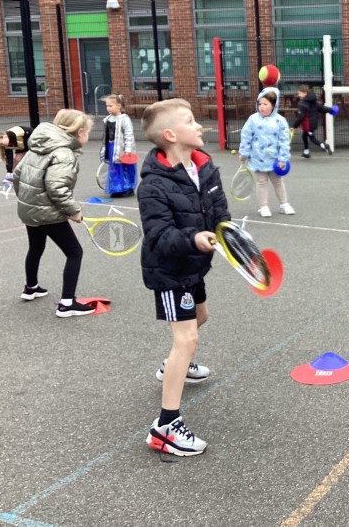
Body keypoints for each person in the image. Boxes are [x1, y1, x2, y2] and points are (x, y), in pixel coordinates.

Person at [137, 98, 231, 457]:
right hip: (169, 271)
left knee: (201, 317)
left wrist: (229, 236)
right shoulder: (153, 186)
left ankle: (173, 366)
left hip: (195, 265)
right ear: (170, 134)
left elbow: (220, 214)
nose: (199, 125)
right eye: (190, 121)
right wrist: (194, 239)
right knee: (187, 338)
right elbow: (159, 237)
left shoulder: (206, 168)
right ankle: (165, 427)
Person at [12, 110, 95, 317]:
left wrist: (26, 199)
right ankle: (67, 303)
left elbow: (17, 174)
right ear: (80, 132)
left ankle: (31, 288)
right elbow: (57, 188)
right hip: (47, 212)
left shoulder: (38, 145)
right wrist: (74, 211)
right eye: (88, 132)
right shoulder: (64, 153)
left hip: (30, 209)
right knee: (74, 252)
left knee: (36, 247)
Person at [239, 87, 294, 218]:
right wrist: (244, 153)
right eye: (260, 104)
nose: (261, 107)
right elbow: (246, 136)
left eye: (265, 104)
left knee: (278, 181)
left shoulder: (280, 121)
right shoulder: (253, 119)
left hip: (275, 160)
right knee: (261, 182)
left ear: (273, 106)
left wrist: (283, 158)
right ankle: (263, 206)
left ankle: (284, 204)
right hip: (257, 158)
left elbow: (284, 141)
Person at [100, 93, 137, 197]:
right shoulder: (107, 119)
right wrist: (104, 150)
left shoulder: (124, 119)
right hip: (111, 147)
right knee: (115, 168)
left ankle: (127, 188)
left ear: (119, 106)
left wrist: (128, 149)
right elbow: (105, 136)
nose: (108, 108)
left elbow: (129, 135)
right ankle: (116, 188)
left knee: (125, 168)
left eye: (110, 106)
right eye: (107, 106)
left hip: (122, 149)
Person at [291, 84, 334, 158]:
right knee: (304, 136)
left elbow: (301, 116)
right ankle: (306, 152)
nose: (298, 95)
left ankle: (324, 146)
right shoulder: (312, 101)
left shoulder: (302, 103)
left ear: (305, 93)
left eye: (299, 93)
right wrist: (330, 110)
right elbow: (321, 108)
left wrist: (294, 126)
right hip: (312, 124)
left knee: (312, 139)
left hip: (308, 125)